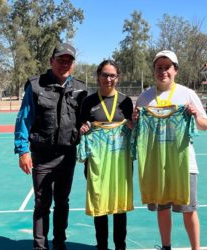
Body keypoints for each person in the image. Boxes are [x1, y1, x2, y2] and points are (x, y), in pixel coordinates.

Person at [14, 43, 87, 250]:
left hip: (67, 155)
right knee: (42, 203)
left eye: (69, 61)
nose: (64, 64)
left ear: (73, 64)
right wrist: (23, 150)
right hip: (42, 155)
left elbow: (85, 120)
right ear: (51, 61)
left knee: (62, 202)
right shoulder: (36, 86)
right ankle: (40, 246)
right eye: (60, 60)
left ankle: (60, 243)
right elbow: (23, 119)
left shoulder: (81, 89)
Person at [133, 50, 207, 250]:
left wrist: (193, 115)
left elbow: (205, 124)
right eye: (159, 67)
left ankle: (196, 249)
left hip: (184, 163)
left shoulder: (187, 94)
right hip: (156, 163)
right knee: (162, 208)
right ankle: (166, 247)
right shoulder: (144, 98)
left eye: (167, 67)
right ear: (154, 70)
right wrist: (135, 120)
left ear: (175, 70)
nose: (163, 71)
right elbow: (135, 128)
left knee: (188, 209)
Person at [78, 60, 134, 250]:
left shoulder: (126, 102)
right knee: (100, 206)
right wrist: (83, 128)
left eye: (112, 75)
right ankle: (101, 246)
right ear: (98, 76)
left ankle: (120, 247)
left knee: (119, 208)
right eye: (105, 75)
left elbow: (135, 132)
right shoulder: (88, 102)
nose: (108, 79)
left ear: (117, 78)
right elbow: (80, 127)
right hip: (97, 164)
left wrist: (132, 127)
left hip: (120, 163)